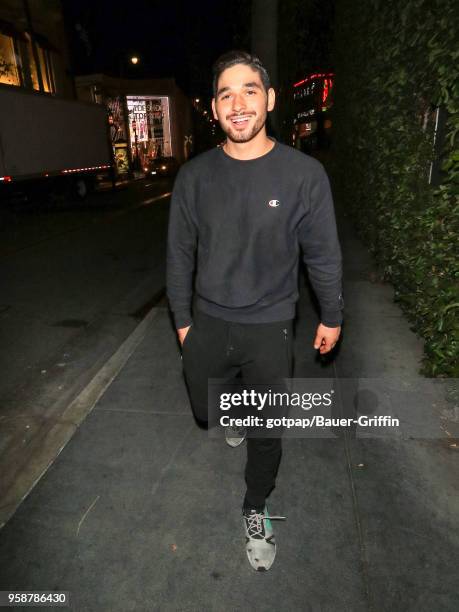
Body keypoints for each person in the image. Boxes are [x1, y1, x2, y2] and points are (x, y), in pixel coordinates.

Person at [166, 50, 343, 572]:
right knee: (207, 409)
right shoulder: (195, 178)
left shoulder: (304, 175)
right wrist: (182, 323)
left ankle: (256, 506)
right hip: (208, 320)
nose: (237, 103)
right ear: (214, 109)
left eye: (249, 90)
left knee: (267, 430)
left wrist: (331, 315)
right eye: (225, 94)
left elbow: (323, 254)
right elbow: (179, 255)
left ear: (268, 99)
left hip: (270, 324)